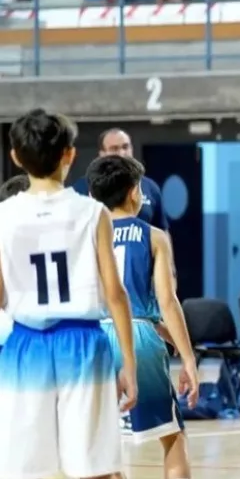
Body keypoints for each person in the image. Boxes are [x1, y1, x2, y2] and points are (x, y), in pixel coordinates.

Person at [0, 108, 137, 479]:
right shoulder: (93, 213)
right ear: (70, 154)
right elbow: (115, 293)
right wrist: (129, 361)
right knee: (96, 468)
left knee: (25, 470)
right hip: (82, 345)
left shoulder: (3, 216)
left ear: (15, 157)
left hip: (25, 347)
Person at [88, 154, 200, 477]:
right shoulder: (153, 236)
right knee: (173, 438)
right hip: (139, 340)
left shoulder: (87, 235)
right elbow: (166, 300)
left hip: (95, 337)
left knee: (100, 444)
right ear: (136, 192)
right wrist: (189, 358)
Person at [73, 127, 170, 232]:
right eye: (114, 148)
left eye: (125, 147)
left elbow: (162, 229)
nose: (122, 153)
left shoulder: (150, 187)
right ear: (102, 153)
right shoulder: (83, 186)